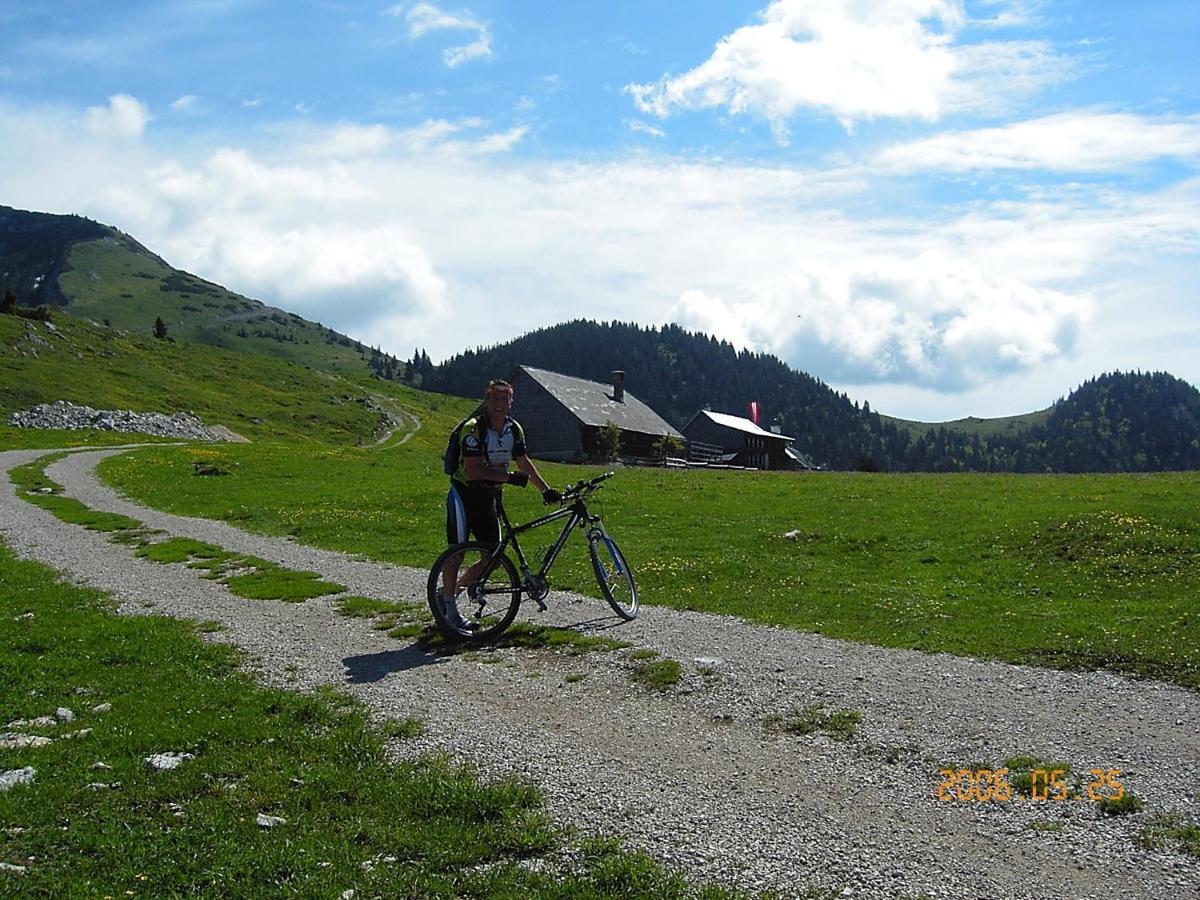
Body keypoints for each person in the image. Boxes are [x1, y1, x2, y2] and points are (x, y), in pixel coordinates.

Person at [441, 378, 560, 630]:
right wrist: (509, 478)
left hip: (490, 498)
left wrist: (545, 489)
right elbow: (472, 471)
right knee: (457, 554)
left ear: (511, 402)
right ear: (486, 401)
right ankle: (449, 612)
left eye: (504, 399)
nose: (499, 403)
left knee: (493, 558)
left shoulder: (513, 429)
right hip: (464, 495)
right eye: (495, 398)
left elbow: (523, 461)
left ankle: (452, 592)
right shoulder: (473, 429)